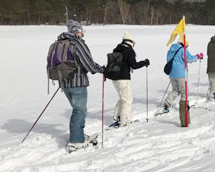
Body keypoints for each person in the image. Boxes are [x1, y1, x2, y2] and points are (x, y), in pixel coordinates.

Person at [58, 20, 104, 151]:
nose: (82, 35)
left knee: (78, 110)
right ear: (76, 31)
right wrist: (101, 69)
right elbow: (88, 63)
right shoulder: (76, 43)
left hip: (64, 83)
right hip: (77, 82)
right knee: (79, 111)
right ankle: (76, 141)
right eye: (81, 32)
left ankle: (77, 135)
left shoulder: (59, 43)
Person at [109, 32, 149, 127]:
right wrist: (145, 62)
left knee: (123, 98)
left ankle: (117, 116)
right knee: (127, 100)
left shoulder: (116, 49)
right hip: (123, 79)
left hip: (114, 79)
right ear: (131, 42)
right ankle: (124, 121)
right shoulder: (128, 51)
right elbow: (134, 65)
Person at [163, 39, 202, 127]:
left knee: (176, 90)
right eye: (187, 46)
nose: (187, 47)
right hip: (181, 74)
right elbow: (189, 59)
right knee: (184, 92)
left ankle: (168, 101)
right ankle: (184, 108)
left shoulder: (170, 50)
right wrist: (198, 56)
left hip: (172, 74)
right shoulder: (182, 50)